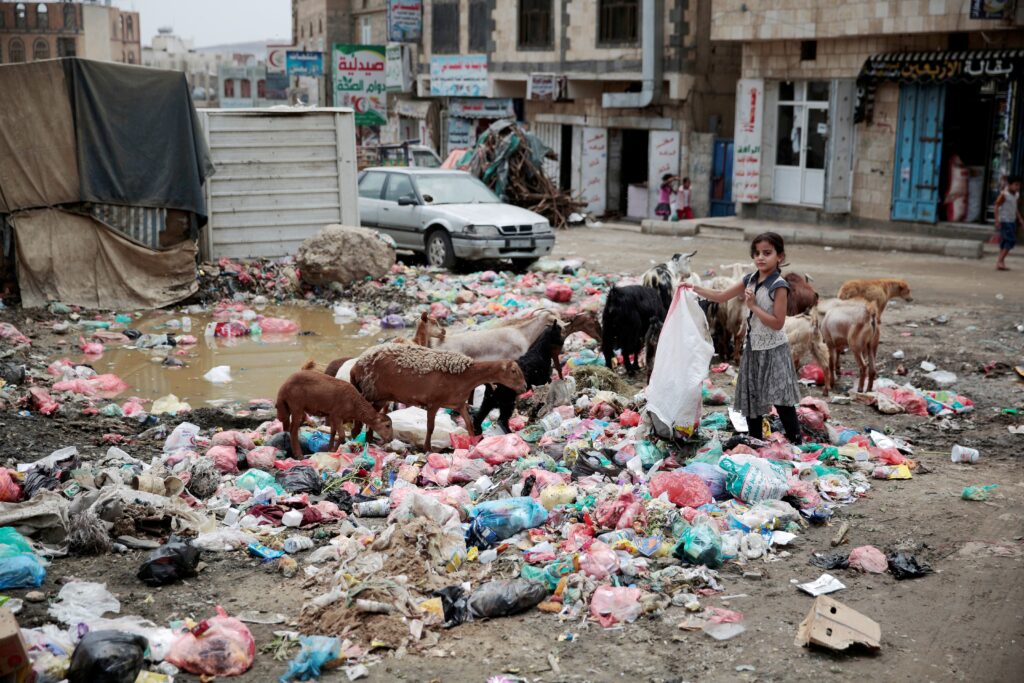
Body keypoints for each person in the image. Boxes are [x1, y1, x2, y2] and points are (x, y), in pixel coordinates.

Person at [684, 232, 803, 444]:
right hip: (753, 347)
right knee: (752, 396)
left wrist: (753, 307)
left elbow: (778, 323)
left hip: (774, 348)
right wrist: (693, 288)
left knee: (782, 398)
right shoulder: (750, 279)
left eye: (767, 253)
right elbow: (721, 296)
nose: (761, 257)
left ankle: (796, 442)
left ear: (780, 257)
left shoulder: (779, 286)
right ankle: (755, 440)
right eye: (757, 253)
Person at [994, 175, 1022, 271]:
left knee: (1005, 242)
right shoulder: (1004, 195)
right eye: (1016, 185)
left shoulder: (1016, 195)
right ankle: (1000, 261)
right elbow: (996, 206)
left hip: (1012, 220)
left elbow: (1015, 209)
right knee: (1010, 241)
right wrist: (997, 220)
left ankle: (1001, 262)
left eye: (1019, 185)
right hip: (1005, 221)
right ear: (1009, 185)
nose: (1017, 187)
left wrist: (1020, 219)